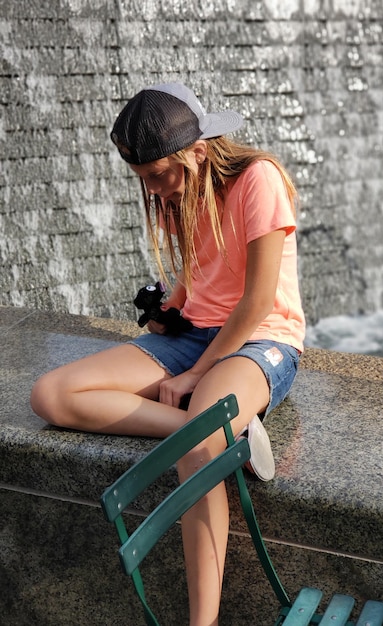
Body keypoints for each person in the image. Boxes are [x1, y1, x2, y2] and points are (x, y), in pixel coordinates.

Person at [30, 82, 305, 626]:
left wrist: (198, 374)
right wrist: (171, 306)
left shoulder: (258, 180)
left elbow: (253, 303)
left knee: (198, 445)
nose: (154, 188)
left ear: (197, 151)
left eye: (160, 174)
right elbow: (199, 267)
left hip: (260, 339)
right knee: (51, 395)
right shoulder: (172, 190)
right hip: (192, 333)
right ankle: (225, 427)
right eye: (144, 178)